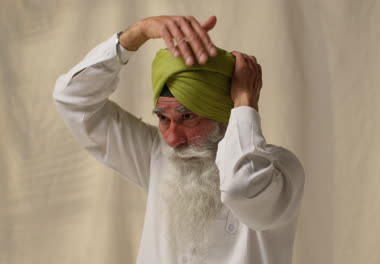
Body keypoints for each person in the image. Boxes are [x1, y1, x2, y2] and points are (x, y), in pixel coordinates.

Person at [53, 15, 305, 264]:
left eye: (188, 117)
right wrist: (134, 36)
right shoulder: (156, 155)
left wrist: (244, 101)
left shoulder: (279, 171)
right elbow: (72, 101)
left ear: (225, 113)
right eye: (163, 118)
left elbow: (242, 187)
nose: (173, 139)